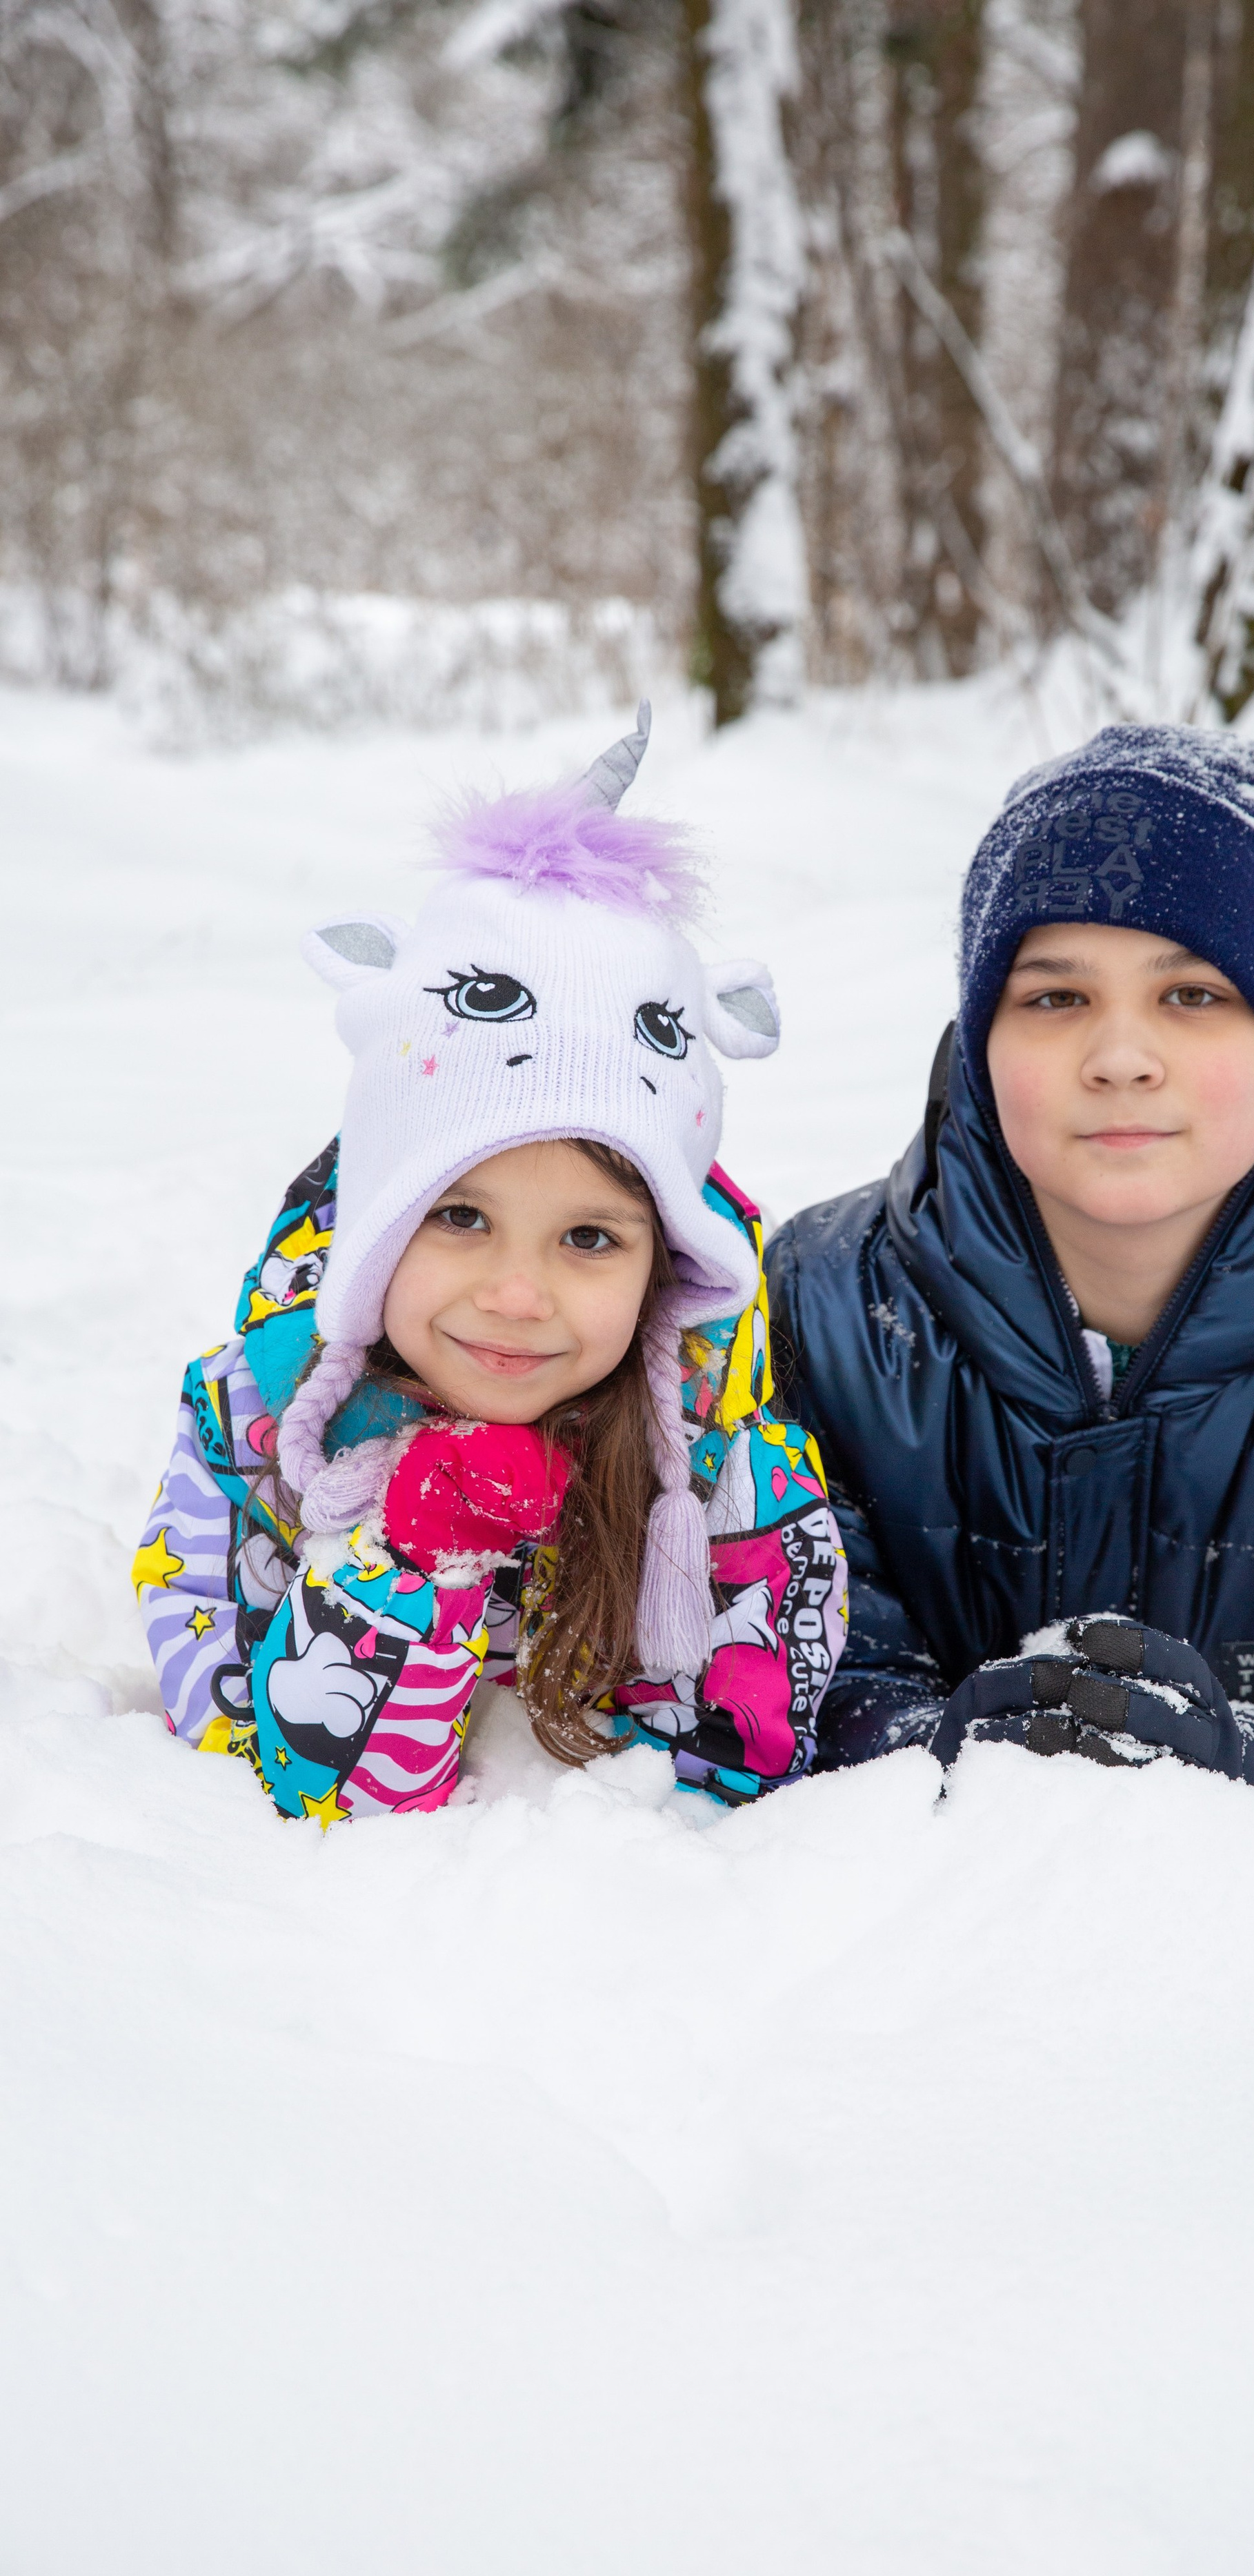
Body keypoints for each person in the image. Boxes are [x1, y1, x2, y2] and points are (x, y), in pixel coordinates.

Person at [766, 725, 1254, 1852]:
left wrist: (1244, 1767)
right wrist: (960, 1756)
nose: (1121, 1057)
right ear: (980, 1037)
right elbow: (792, 1678)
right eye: (1054, 999)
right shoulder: (815, 1309)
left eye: (1192, 995)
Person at [137, 712, 847, 1821]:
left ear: (665, 1266)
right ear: (380, 1219)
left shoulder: (722, 1483)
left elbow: (721, 1793)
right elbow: (260, 1784)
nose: (518, 1296)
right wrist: (414, 1564)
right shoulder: (257, 1429)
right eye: (461, 1217)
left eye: (589, 1238)